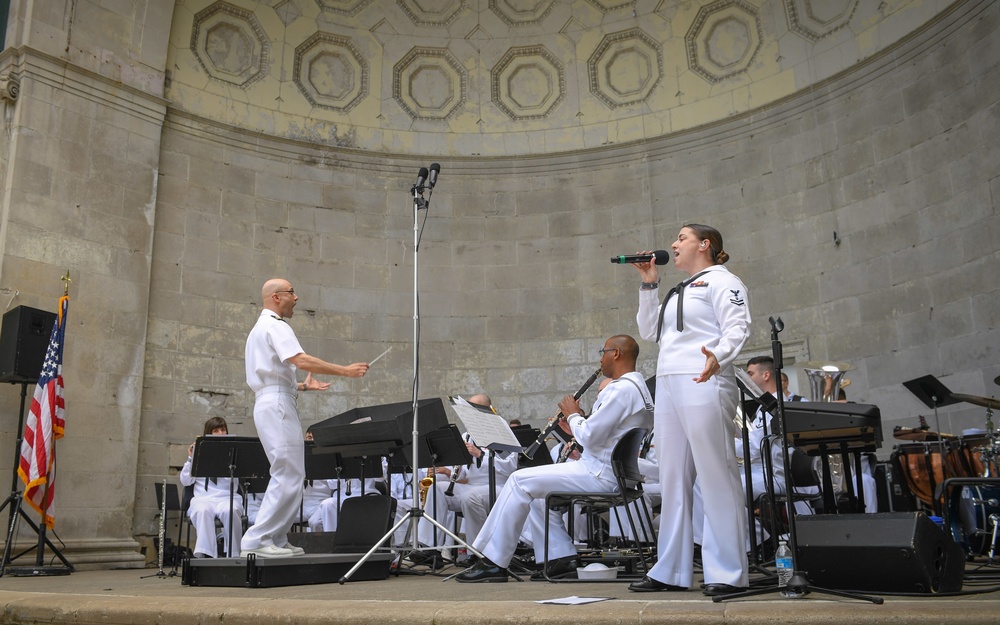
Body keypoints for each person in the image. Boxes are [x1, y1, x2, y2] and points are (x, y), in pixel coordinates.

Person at [456, 335, 654, 583]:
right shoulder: (638, 389)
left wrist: (573, 415)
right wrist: (576, 425)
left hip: (600, 474)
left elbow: (591, 436)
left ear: (616, 353)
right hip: (609, 472)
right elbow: (603, 436)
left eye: (602, 352)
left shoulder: (622, 390)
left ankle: (493, 561)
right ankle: (558, 558)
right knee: (539, 494)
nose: (600, 358)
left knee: (518, 480)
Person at [630, 224, 752, 596]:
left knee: (716, 473)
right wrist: (650, 284)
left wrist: (720, 354)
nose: (673, 244)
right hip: (668, 382)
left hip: (704, 377)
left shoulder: (723, 281)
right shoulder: (677, 289)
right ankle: (670, 569)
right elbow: (649, 332)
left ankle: (728, 571)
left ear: (705, 244)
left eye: (681, 238)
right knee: (672, 479)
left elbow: (738, 325)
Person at [241, 278, 369, 558]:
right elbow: (300, 359)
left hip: (273, 399)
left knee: (292, 473)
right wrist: (345, 371)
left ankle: (275, 535)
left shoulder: (258, 329)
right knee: (287, 472)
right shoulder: (276, 325)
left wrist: (301, 386)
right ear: (276, 297)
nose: (296, 298)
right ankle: (258, 539)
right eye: (291, 292)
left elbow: (269, 374)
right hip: (277, 404)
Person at [416, 394, 518, 559]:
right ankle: (428, 547)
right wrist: (453, 467)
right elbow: (464, 473)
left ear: (487, 410)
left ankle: (476, 553)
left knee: (470, 497)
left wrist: (479, 454)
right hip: (471, 485)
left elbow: (509, 466)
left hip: (498, 486)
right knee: (437, 489)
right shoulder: (467, 436)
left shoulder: (502, 430)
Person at [179, 417, 244, 558]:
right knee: (202, 511)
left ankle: (233, 554)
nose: (220, 433)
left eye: (223, 430)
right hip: (203, 498)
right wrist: (191, 458)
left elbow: (235, 484)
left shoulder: (233, 451)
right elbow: (185, 481)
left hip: (226, 497)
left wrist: (224, 461)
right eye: (216, 431)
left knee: (230, 510)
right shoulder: (199, 451)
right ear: (208, 433)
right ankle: (206, 554)